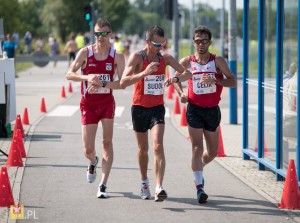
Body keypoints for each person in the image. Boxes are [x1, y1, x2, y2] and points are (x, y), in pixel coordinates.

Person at [164, 25, 237, 204]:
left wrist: (216, 80)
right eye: (197, 41)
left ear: (209, 42)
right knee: (196, 147)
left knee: (211, 152)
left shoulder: (217, 61)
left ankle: (199, 168)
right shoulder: (187, 62)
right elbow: (175, 77)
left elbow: (233, 82)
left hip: (212, 110)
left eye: (204, 41)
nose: (200, 44)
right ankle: (199, 188)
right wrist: (181, 93)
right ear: (194, 42)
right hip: (194, 109)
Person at [120, 26, 189, 202]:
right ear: (147, 41)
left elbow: (187, 73)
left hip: (157, 108)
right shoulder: (137, 57)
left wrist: (175, 81)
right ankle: (144, 182)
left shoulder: (165, 58)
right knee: (143, 149)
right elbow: (123, 82)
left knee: (158, 145)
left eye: (162, 43)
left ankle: (159, 186)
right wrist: (144, 72)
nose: (160, 47)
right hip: (139, 108)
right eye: (156, 43)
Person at [66, 18, 125, 198]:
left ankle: (103, 184)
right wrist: (87, 77)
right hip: (88, 104)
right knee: (88, 149)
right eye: (97, 34)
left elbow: (122, 83)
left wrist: (105, 83)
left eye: (104, 34)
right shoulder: (85, 52)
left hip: (106, 103)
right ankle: (93, 161)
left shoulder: (117, 56)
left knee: (107, 142)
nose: (100, 37)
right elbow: (69, 74)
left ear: (110, 35)